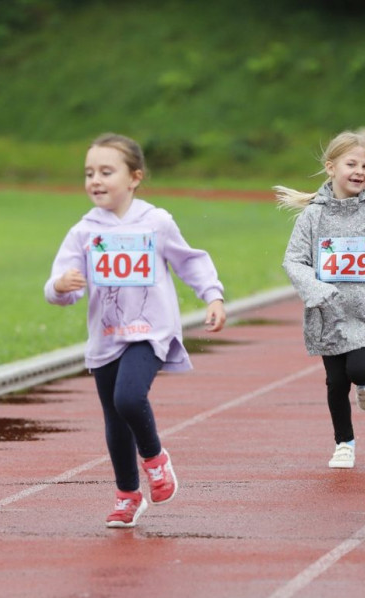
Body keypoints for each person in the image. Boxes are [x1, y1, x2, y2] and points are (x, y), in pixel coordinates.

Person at [44, 133, 226, 528]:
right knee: (113, 418)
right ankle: (127, 494)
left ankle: (156, 459)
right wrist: (60, 287)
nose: (95, 180)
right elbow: (59, 283)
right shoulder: (83, 231)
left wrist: (212, 296)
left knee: (129, 398)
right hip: (106, 334)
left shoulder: (156, 221)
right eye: (89, 172)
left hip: (149, 330)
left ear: (134, 177)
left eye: (106, 171)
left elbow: (189, 261)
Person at [275, 131, 365, 469]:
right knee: (335, 381)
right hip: (328, 314)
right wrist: (316, 290)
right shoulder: (313, 216)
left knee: (357, 369)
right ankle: (344, 442)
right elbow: (294, 260)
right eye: (351, 164)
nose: (359, 171)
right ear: (331, 168)